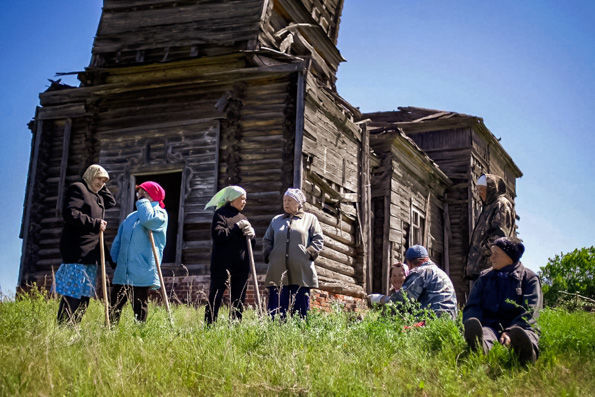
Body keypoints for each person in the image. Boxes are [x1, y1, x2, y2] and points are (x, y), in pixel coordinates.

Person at [463, 237, 542, 364]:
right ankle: (479, 348)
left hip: (521, 327)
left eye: (496, 254)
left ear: (509, 257)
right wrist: (473, 322)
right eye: (491, 254)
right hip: (491, 325)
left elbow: (530, 311)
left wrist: (510, 332)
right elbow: (473, 306)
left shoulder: (529, 278)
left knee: (526, 336)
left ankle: (526, 356)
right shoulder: (485, 277)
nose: (491, 258)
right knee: (486, 334)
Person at [55, 164, 116, 324]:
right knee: (73, 293)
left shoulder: (98, 197)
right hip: (77, 250)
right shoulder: (79, 188)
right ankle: (63, 329)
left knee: (84, 296)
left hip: (91, 253)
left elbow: (111, 202)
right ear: (89, 175)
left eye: (104, 181)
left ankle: (74, 328)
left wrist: (100, 186)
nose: (101, 183)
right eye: (98, 178)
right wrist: (95, 223)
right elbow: (70, 213)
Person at [110, 181, 168, 323]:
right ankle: (109, 332)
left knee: (139, 305)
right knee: (114, 305)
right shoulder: (131, 216)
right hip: (124, 269)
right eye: (139, 193)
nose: (139, 196)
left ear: (152, 195)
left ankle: (139, 333)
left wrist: (143, 203)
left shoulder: (160, 214)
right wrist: (114, 258)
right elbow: (119, 239)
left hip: (142, 267)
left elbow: (148, 221)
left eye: (143, 193)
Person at [263, 188, 324, 319]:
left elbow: (318, 239)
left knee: (301, 308)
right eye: (284, 200)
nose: (286, 203)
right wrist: (269, 254)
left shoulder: (310, 219)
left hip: (301, 269)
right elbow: (267, 239)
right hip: (277, 269)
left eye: (289, 200)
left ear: (299, 203)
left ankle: (300, 331)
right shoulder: (276, 220)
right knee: (277, 307)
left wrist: (308, 254)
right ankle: (275, 331)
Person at [204, 186, 255, 324]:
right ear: (232, 199)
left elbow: (250, 246)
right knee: (216, 295)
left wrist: (252, 236)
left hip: (241, 266)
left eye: (245, 199)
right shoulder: (221, 214)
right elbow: (219, 235)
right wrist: (236, 227)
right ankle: (209, 326)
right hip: (222, 264)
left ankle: (235, 326)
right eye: (242, 199)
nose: (244, 202)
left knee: (238, 298)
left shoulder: (244, 217)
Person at [466, 174, 516, 280]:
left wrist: (481, 252)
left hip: (492, 269)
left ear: (491, 189)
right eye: (478, 190)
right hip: (482, 270)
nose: (479, 193)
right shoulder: (488, 206)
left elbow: (499, 238)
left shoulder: (501, 204)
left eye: (482, 189)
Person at [389, 245, 458, 319]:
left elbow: (401, 301)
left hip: (431, 321)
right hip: (450, 320)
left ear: (409, 263)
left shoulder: (420, 272)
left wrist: (380, 299)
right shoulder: (441, 273)